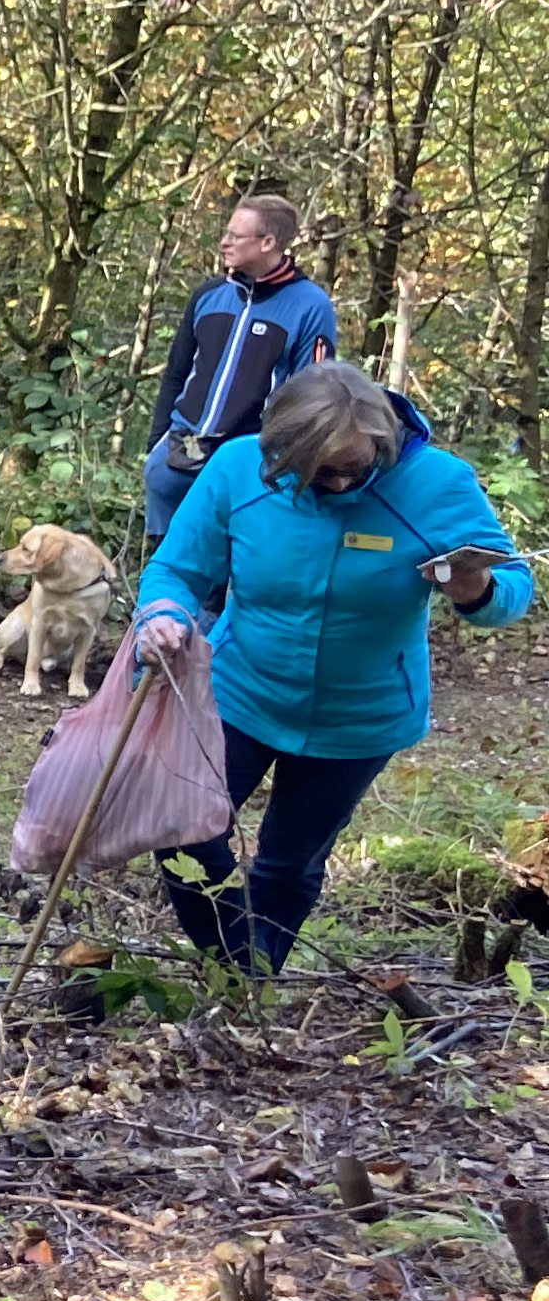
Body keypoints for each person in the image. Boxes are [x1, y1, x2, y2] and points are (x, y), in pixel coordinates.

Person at [133, 360, 528, 973]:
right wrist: (164, 614)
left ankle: (248, 983)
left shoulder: (440, 483)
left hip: (361, 716)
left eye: (357, 467)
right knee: (181, 827)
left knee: (289, 864)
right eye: (321, 472)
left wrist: (474, 589)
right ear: (283, 451)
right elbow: (177, 571)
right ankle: (239, 969)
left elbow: (512, 589)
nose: (342, 484)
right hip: (241, 694)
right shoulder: (239, 468)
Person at [144, 195, 340, 534]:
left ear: (268, 242)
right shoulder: (209, 295)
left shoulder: (310, 306)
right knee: (169, 569)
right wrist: (156, 444)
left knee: (229, 566)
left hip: (251, 458)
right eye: (226, 233)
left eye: (236, 236)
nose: (224, 242)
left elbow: (314, 396)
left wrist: (284, 461)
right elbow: (177, 372)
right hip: (179, 452)